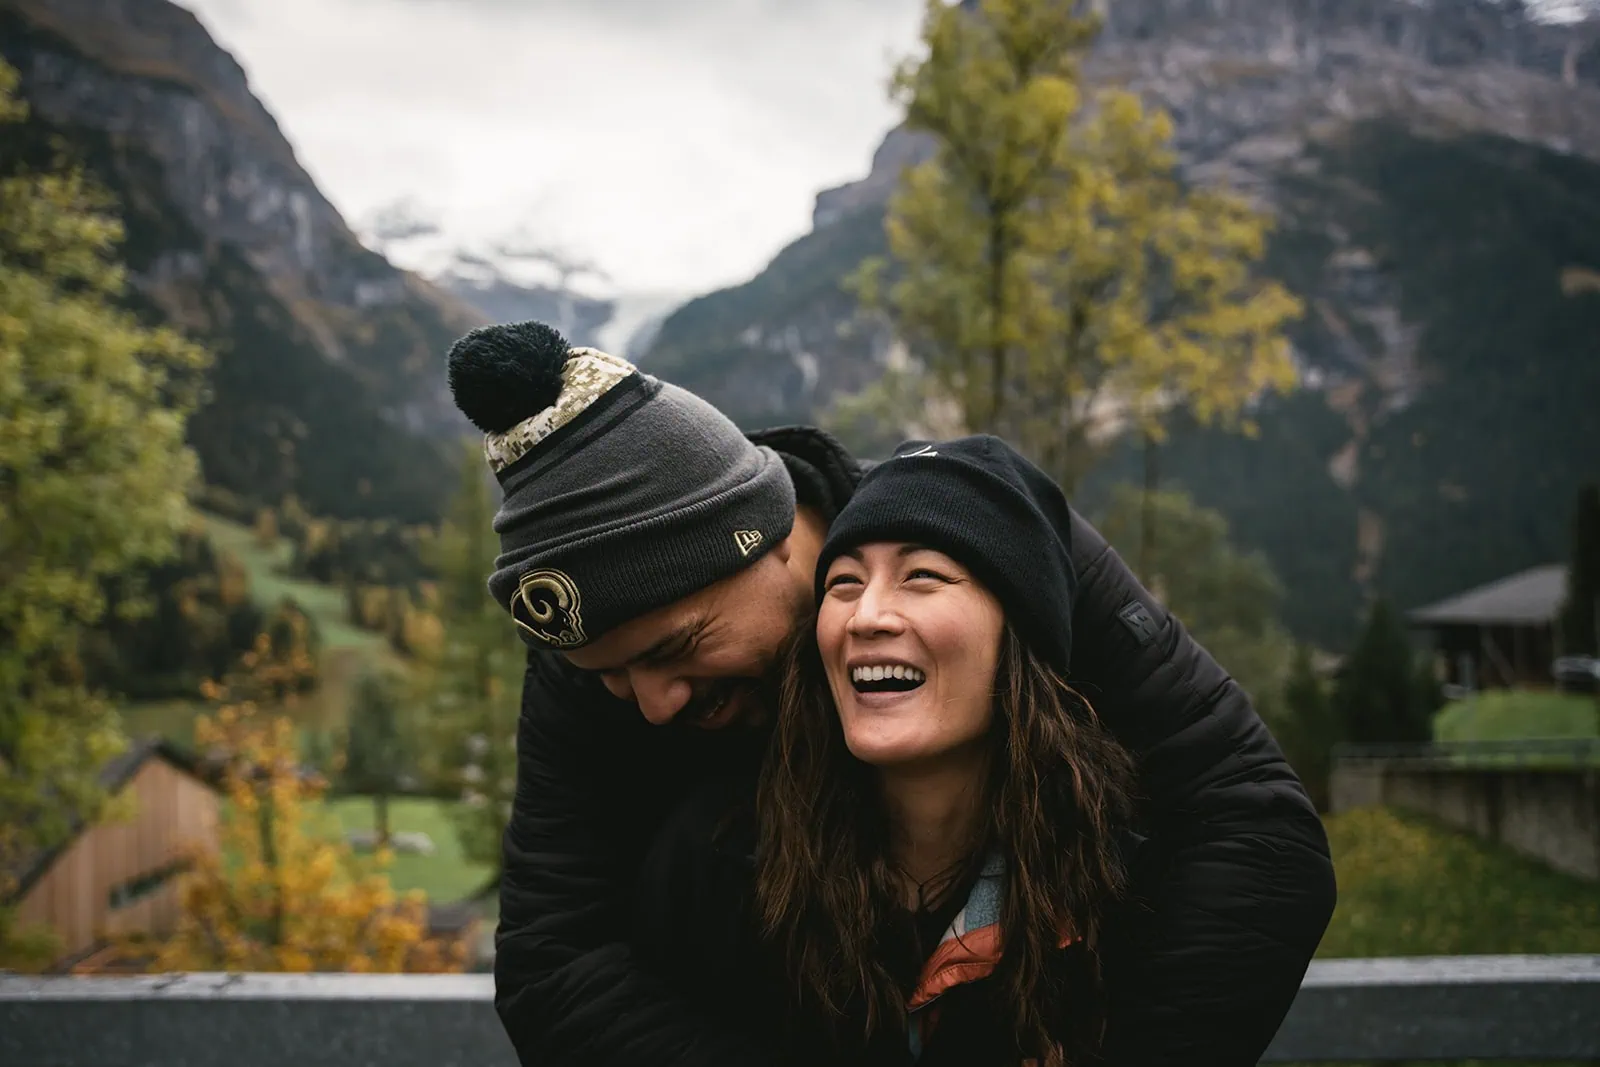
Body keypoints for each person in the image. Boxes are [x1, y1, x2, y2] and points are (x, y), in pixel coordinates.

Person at [443, 321, 1336, 1066]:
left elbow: (1256, 825)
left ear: (775, 540)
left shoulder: (980, 540)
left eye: (681, 649)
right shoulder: (594, 659)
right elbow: (553, 959)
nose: (653, 705)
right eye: (608, 677)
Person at [632, 434, 1146, 1067]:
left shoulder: (1121, 882)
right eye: (843, 583)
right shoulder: (718, 866)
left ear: (1020, 633)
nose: (865, 615)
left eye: (922, 576)